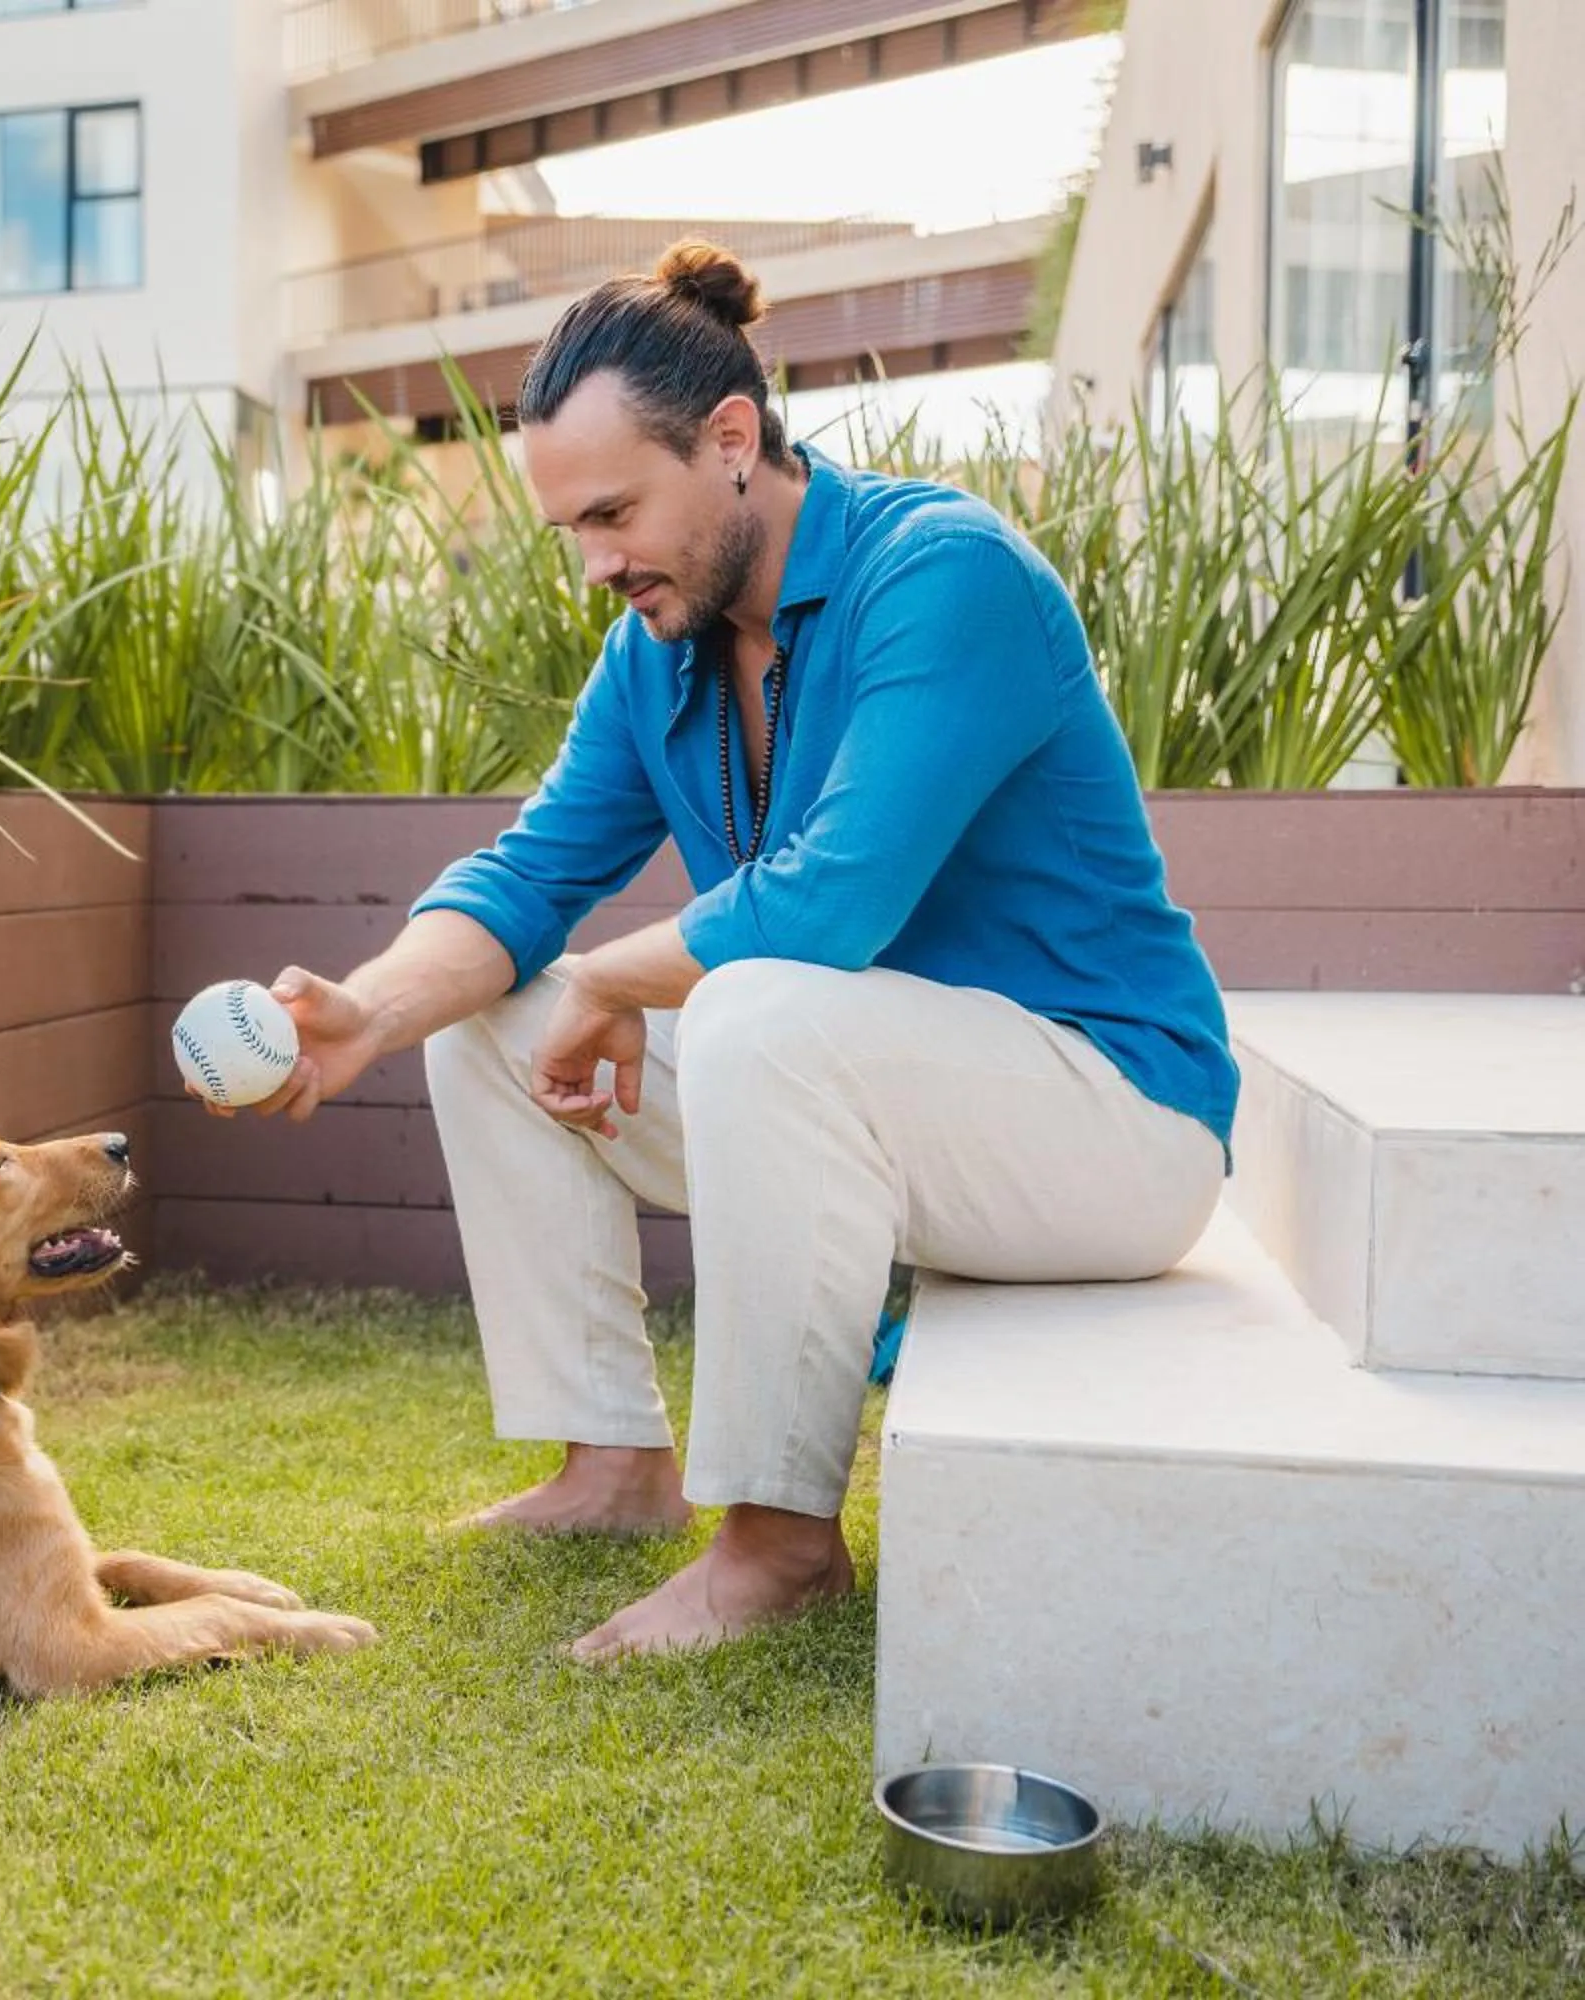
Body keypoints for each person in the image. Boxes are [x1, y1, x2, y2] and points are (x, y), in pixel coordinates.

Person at [211, 242, 1237, 1663]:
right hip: (872, 1105)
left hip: (1111, 1127)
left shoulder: (944, 577)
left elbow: (828, 910)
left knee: (744, 1005)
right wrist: (365, 1014)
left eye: (616, 512)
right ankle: (614, 1469)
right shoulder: (658, 650)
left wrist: (615, 980)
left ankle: (779, 1545)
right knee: (488, 1023)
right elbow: (530, 875)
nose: (596, 563)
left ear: (735, 442)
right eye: (571, 528)